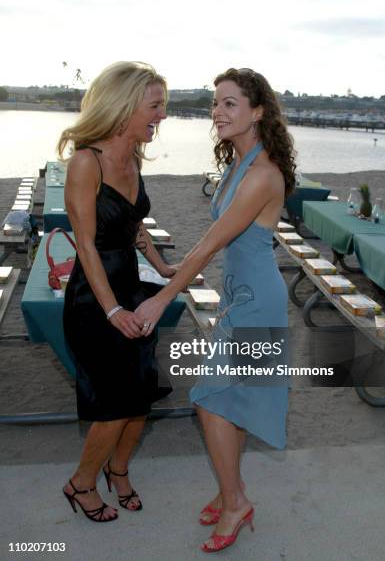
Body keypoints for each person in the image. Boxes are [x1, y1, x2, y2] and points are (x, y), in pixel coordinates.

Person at [134, 67, 297, 551]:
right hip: (238, 297)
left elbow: (212, 242)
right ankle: (231, 492)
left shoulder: (264, 173)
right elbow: (215, 245)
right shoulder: (237, 165)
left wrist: (164, 297)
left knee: (208, 398)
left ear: (258, 112)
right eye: (215, 103)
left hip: (256, 303)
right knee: (231, 401)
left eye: (230, 104)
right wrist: (162, 265)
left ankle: (235, 503)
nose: (217, 113)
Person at [58, 61, 175, 523]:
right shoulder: (87, 161)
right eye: (156, 106)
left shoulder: (134, 157)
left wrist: (165, 267)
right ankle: (80, 483)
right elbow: (84, 243)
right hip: (95, 297)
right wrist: (110, 311)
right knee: (113, 405)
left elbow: (133, 223)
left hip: (132, 287)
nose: (162, 115)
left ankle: (119, 472)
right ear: (125, 106)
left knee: (140, 397)